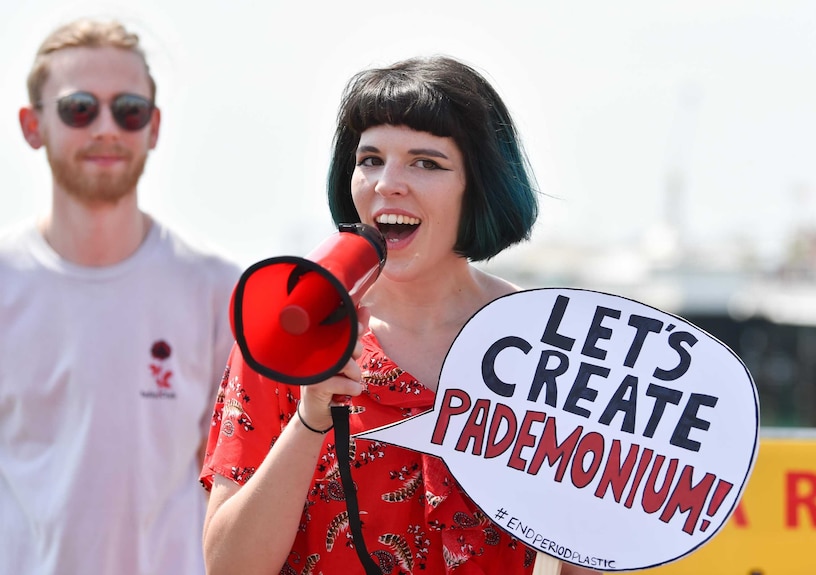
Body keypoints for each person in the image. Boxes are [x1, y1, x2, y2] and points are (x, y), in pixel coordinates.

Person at [201, 56, 597, 575]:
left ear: (478, 187)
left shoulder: (548, 348)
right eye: (369, 160)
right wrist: (310, 418)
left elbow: (590, 548)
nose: (387, 183)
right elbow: (230, 568)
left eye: (426, 163)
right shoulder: (289, 332)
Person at [0, 18, 241, 574]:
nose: (106, 128)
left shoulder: (216, 289)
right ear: (33, 125)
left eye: (128, 110)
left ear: (153, 127)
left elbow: (233, 478)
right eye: (79, 108)